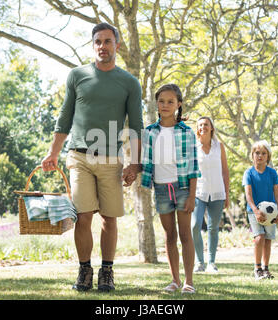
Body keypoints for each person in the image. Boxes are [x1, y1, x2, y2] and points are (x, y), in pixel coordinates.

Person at [41, 22, 143, 292]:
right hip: (79, 157)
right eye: (98, 41)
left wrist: (135, 163)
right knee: (83, 215)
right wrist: (53, 153)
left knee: (109, 218)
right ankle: (84, 269)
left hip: (111, 158)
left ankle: (106, 271)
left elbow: (136, 125)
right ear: (93, 44)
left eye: (108, 41)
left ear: (117, 45)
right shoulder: (77, 76)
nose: (103, 46)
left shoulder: (130, 83)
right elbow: (65, 116)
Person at [140, 83, 200, 294]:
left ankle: (189, 281)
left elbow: (194, 167)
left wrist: (192, 196)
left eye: (170, 102)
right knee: (169, 236)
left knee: (185, 234)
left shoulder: (187, 132)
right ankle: (174, 280)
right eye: (161, 101)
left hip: (183, 188)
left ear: (178, 104)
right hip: (161, 189)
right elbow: (145, 162)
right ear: (156, 104)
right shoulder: (149, 132)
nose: (165, 105)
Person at [191, 116, 230, 273]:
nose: (203, 127)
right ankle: (199, 262)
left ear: (211, 127)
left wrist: (227, 193)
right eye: (200, 125)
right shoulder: (193, 147)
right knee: (194, 225)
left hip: (217, 193)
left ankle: (211, 263)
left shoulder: (219, 146)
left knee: (213, 228)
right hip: (198, 192)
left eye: (206, 124)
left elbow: (225, 171)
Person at [242, 140, 278, 280]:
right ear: (252, 155)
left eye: (263, 153)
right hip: (253, 211)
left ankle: (266, 269)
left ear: (268, 156)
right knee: (259, 237)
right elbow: (248, 195)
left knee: (267, 240)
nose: (260, 156)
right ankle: (257, 268)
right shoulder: (249, 173)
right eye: (257, 153)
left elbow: (277, 193)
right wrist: (255, 210)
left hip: (271, 213)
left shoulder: (272, 173)